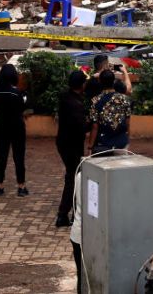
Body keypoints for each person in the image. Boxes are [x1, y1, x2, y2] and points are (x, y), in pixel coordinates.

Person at [55, 70, 88, 227]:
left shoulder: (65, 97)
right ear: (81, 85)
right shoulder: (76, 105)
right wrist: (93, 123)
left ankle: (70, 212)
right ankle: (64, 214)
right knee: (73, 178)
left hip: (63, 142)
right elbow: (81, 127)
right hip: (72, 145)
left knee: (72, 176)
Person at [0, 64, 28, 197]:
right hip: (16, 126)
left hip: (1, 126)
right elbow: (23, 108)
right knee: (19, 157)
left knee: (1, 157)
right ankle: (21, 186)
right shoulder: (16, 92)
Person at [87, 71, 132, 155]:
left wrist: (90, 146)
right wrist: (127, 139)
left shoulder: (96, 100)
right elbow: (127, 122)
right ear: (113, 81)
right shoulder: (124, 99)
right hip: (121, 143)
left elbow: (94, 126)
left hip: (102, 145)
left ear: (100, 81)